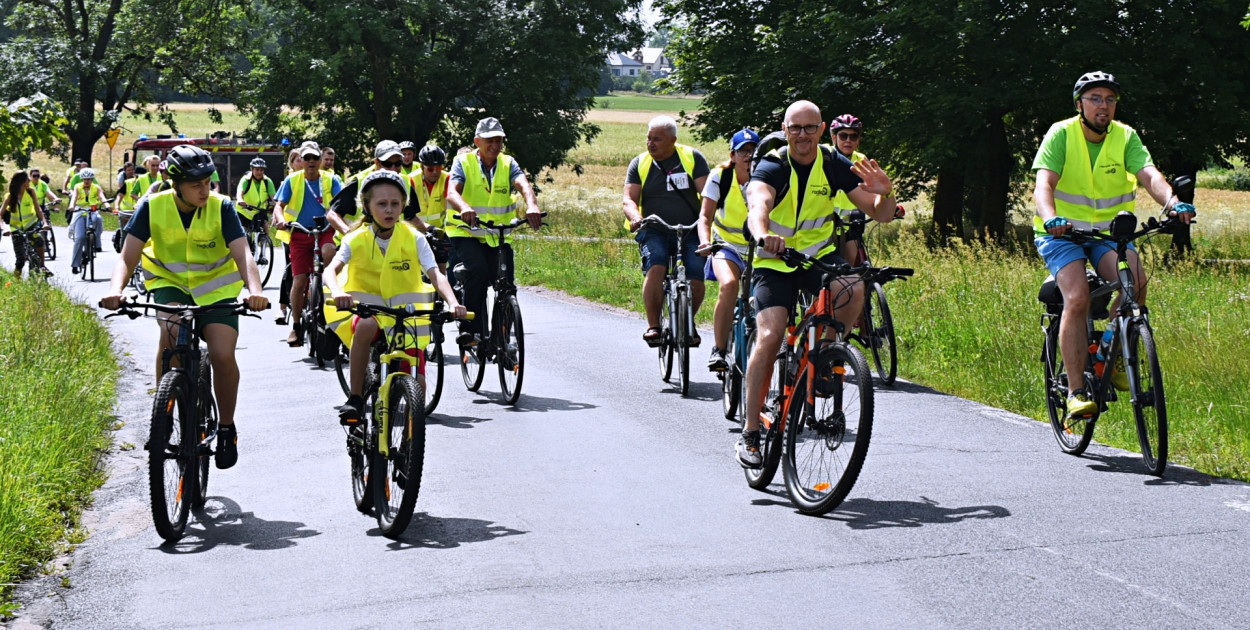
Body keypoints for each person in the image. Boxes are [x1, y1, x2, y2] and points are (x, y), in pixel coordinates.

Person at [736, 100, 899, 468]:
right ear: (785, 129)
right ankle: (750, 433)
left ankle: (822, 357)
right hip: (775, 261)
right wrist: (763, 236)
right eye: (795, 128)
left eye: (810, 128)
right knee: (771, 334)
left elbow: (881, 214)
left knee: (853, 286)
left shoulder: (832, 163)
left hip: (818, 258)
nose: (803, 136)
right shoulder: (774, 163)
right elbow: (758, 204)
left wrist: (885, 193)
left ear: (822, 129)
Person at [1032, 71, 1195, 419]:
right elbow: (1044, 184)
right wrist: (1051, 218)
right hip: (1062, 233)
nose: (1103, 106)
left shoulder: (1125, 136)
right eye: (1095, 99)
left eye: (1109, 99)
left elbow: (1150, 175)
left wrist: (1172, 202)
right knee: (1076, 296)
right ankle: (1076, 391)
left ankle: (1113, 352)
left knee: (1136, 283)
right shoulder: (1061, 134)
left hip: (1107, 234)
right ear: (1080, 105)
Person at [100, 145, 268, 469]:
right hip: (170, 284)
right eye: (196, 184)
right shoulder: (152, 206)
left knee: (221, 353)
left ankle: (226, 427)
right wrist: (115, 290)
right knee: (172, 330)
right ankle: (163, 414)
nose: (204, 190)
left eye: (207, 182)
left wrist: (255, 291)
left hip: (217, 290)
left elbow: (243, 253)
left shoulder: (222, 207)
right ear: (174, 182)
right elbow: (127, 255)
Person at [324, 170, 466, 423]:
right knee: (366, 326)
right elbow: (330, 270)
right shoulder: (355, 239)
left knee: (418, 388)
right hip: (366, 311)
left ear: (403, 206)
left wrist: (454, 303)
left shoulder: (414, 237)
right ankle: (355, 398)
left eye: (395, 204)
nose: (389, 210)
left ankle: (407, 448)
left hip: (405, 316)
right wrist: (337, 291)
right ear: (367, 207)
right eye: (381, 204)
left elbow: (436, 275)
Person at [444, 117, 542, 346]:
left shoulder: (508, 163)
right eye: (490, 140)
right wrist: (465, 208)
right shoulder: (463, 162)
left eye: (499, 140)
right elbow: (452, 192)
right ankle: (470, 329)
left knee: (506, 281)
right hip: (465, 231)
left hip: (495, 233)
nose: (495, 146)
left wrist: (532, 206)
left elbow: (523, 185)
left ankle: (503, 339)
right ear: (477, 141)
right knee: (477, 269)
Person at [622, 115, 711, 347]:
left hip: (690, 229)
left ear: (673, 140)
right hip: (654, 229)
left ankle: (687, 324)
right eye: (648, 138)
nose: (651, 143)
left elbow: (709, 195)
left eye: (657, 139)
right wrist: (635, 217)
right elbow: (628, 200)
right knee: (657, 263)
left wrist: (710, 221)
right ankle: (654, 326)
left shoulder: (692, 158)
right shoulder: (639, 163)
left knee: (695, 271)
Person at [696, 128, 759, 371]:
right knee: (729, 285)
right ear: (732, 155)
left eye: (753, 150)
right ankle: (719, 350)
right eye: (743, 151)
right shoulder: (719, 177)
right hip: (727, 245)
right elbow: (705, 217)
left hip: (758, 248)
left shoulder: (768, 178)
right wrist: (704, 242)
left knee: (765, 300)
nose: (749, 156)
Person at [271, 140, 343, 345]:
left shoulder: (331, 180)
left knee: (330, 252)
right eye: (307, 158)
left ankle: (327, 293)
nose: (311, 162)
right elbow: (279, 205)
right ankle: (295, 326)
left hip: (325, 232)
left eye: (315, 158)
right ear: (301, 160)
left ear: (320, 160)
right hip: (300, 234)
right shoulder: (292, 180)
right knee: (299, 280)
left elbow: (341, 203)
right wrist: (281, 219)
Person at [327, 140, 406, 244]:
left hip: (390, 244)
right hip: (356, 247)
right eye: (387, 164)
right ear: (376, 162)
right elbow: (332, 214)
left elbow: (411, 216)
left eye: (398, 164)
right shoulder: (360, 181)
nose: (393, 169)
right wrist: (350, 235)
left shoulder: (405, 182)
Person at [409, 144, 452, 274]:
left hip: (439, 233)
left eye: (438, 168)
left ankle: (441, 293)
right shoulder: (411, 179)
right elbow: (407, 213)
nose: (435, 172)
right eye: (430, 169)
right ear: (422, 167)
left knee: (441, 271)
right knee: (415, 272)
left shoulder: (447, 178)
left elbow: (449, 209)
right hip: (415, 231)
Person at [1, 171, 52, 277]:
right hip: (16, 230)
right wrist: (4, 228)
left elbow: (38, 209)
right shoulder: (10, 196)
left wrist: (45, 223)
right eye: (27, 179)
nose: (29, 181)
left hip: (31, 226)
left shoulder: (30, 192)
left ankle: (42, 266)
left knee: (39, 240)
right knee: (21, 260)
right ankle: (16, 281)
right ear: (22, 182)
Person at [68, 168, 108, 274]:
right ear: (82, 178)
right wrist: (72, 206)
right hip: (80, 212)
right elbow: (74, 197)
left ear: (92, 179)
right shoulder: (78, 187)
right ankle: (75, 264)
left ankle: (97, 243)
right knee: (80, 237)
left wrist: (107, 205)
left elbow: (101, 197)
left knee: (99, 219)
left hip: (92, 211)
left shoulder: (96, 187)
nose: (87, 181)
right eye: (85, 179)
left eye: (89, 179)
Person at [235, 157, 276, 231]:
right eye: (257, 170)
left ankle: (265, 241)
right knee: (243, 231)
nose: (259, 172)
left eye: (262, 170)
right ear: (252, 169)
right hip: (245, 211)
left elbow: (274, 198)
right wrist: (240, 200)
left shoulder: (267, 181)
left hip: (259, 211)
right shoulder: (245, 180)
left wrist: (277, 207)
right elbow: (239, 194)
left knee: (265, 227)